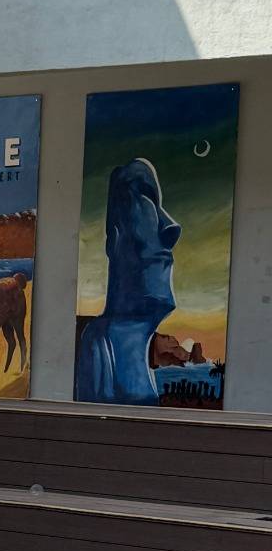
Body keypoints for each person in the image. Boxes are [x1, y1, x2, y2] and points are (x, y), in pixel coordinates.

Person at [75, 157, 182, 405]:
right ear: (116, 240)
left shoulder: (118, 348)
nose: (171, 227)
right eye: (148, 201)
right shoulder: (103, 346)